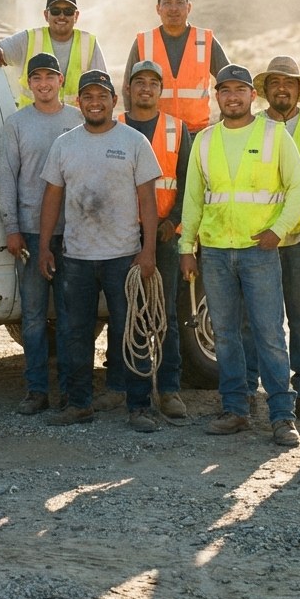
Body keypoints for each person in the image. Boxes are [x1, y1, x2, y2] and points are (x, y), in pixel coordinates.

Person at [178, 64, 300, 447]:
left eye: (240, 90)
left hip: (258, 252)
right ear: (216, 96)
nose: (232, 97)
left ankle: (283, 416)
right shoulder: (203, 141)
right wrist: (187, 249)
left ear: (253, 96)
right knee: (225, 335)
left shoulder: (275, 135)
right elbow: (193, 200)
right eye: (225, 90)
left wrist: (277, 230)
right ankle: (235, 409)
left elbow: (298, 188)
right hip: (215, 253)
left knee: (269, 334)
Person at [39, 69, 161, 433]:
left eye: (101, 96)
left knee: (132, 331)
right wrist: (46, 246)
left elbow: (148, 201)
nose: (95, 102)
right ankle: (79, 404)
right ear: (79, 103)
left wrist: (148, 250)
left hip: (124, 256)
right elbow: (52, 198)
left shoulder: (134, 141)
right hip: (76, 256)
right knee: (75, 333)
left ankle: (139, 407)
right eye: (88, 97)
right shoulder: (65, 144)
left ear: (114, 101)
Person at [242, 55, 300, 423]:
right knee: (254, 319)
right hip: (259, 240)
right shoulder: (249, 126)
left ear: (299, 90)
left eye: (289, 83)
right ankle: (248, 389)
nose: (282, 88)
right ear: (264, 90)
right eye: (275, 82)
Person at [0, 52, 83, 414]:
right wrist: (12, 228)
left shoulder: (79, 120)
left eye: (50, 77)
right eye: (36, 78)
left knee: (69, 315)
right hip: (31, 233)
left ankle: (69, 390)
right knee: (32, 315)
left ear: (61, 80)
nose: (43, 84)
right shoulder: (16, 124)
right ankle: (36, 390)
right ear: (28, 84)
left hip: (75, 234)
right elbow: (7, 178)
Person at [116, 59, 192, 419]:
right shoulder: (112, 126)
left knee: (166, 314)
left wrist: (173, 221)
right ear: (127, 89)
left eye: (153, 83)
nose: (146, 88)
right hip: (121, 235)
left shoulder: (178, 130)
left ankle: (170, 389)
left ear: (161, 91)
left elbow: (189, 185)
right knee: (125, 313)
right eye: (139, 82)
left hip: (164, 235)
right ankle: (122, 386)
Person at [123, 0, 230, 134]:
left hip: (196, 133)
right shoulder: (144, 42)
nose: (173, 8)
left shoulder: (205, 40)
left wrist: (225, 124)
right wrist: (136, 127)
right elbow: (128, 88)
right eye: (167, 3)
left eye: (179, 2)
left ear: (189, 7)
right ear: (158, 9)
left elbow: (229, 82)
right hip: (154, 132)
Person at [0, 0, 107, 106]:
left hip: (74, 122)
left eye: (68, 11)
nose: (62, 16)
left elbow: (102, 86)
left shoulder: (89, 43)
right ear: (46, 15)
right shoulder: (27, 39)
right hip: (32, 121)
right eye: (55, 11)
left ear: (76, 16)